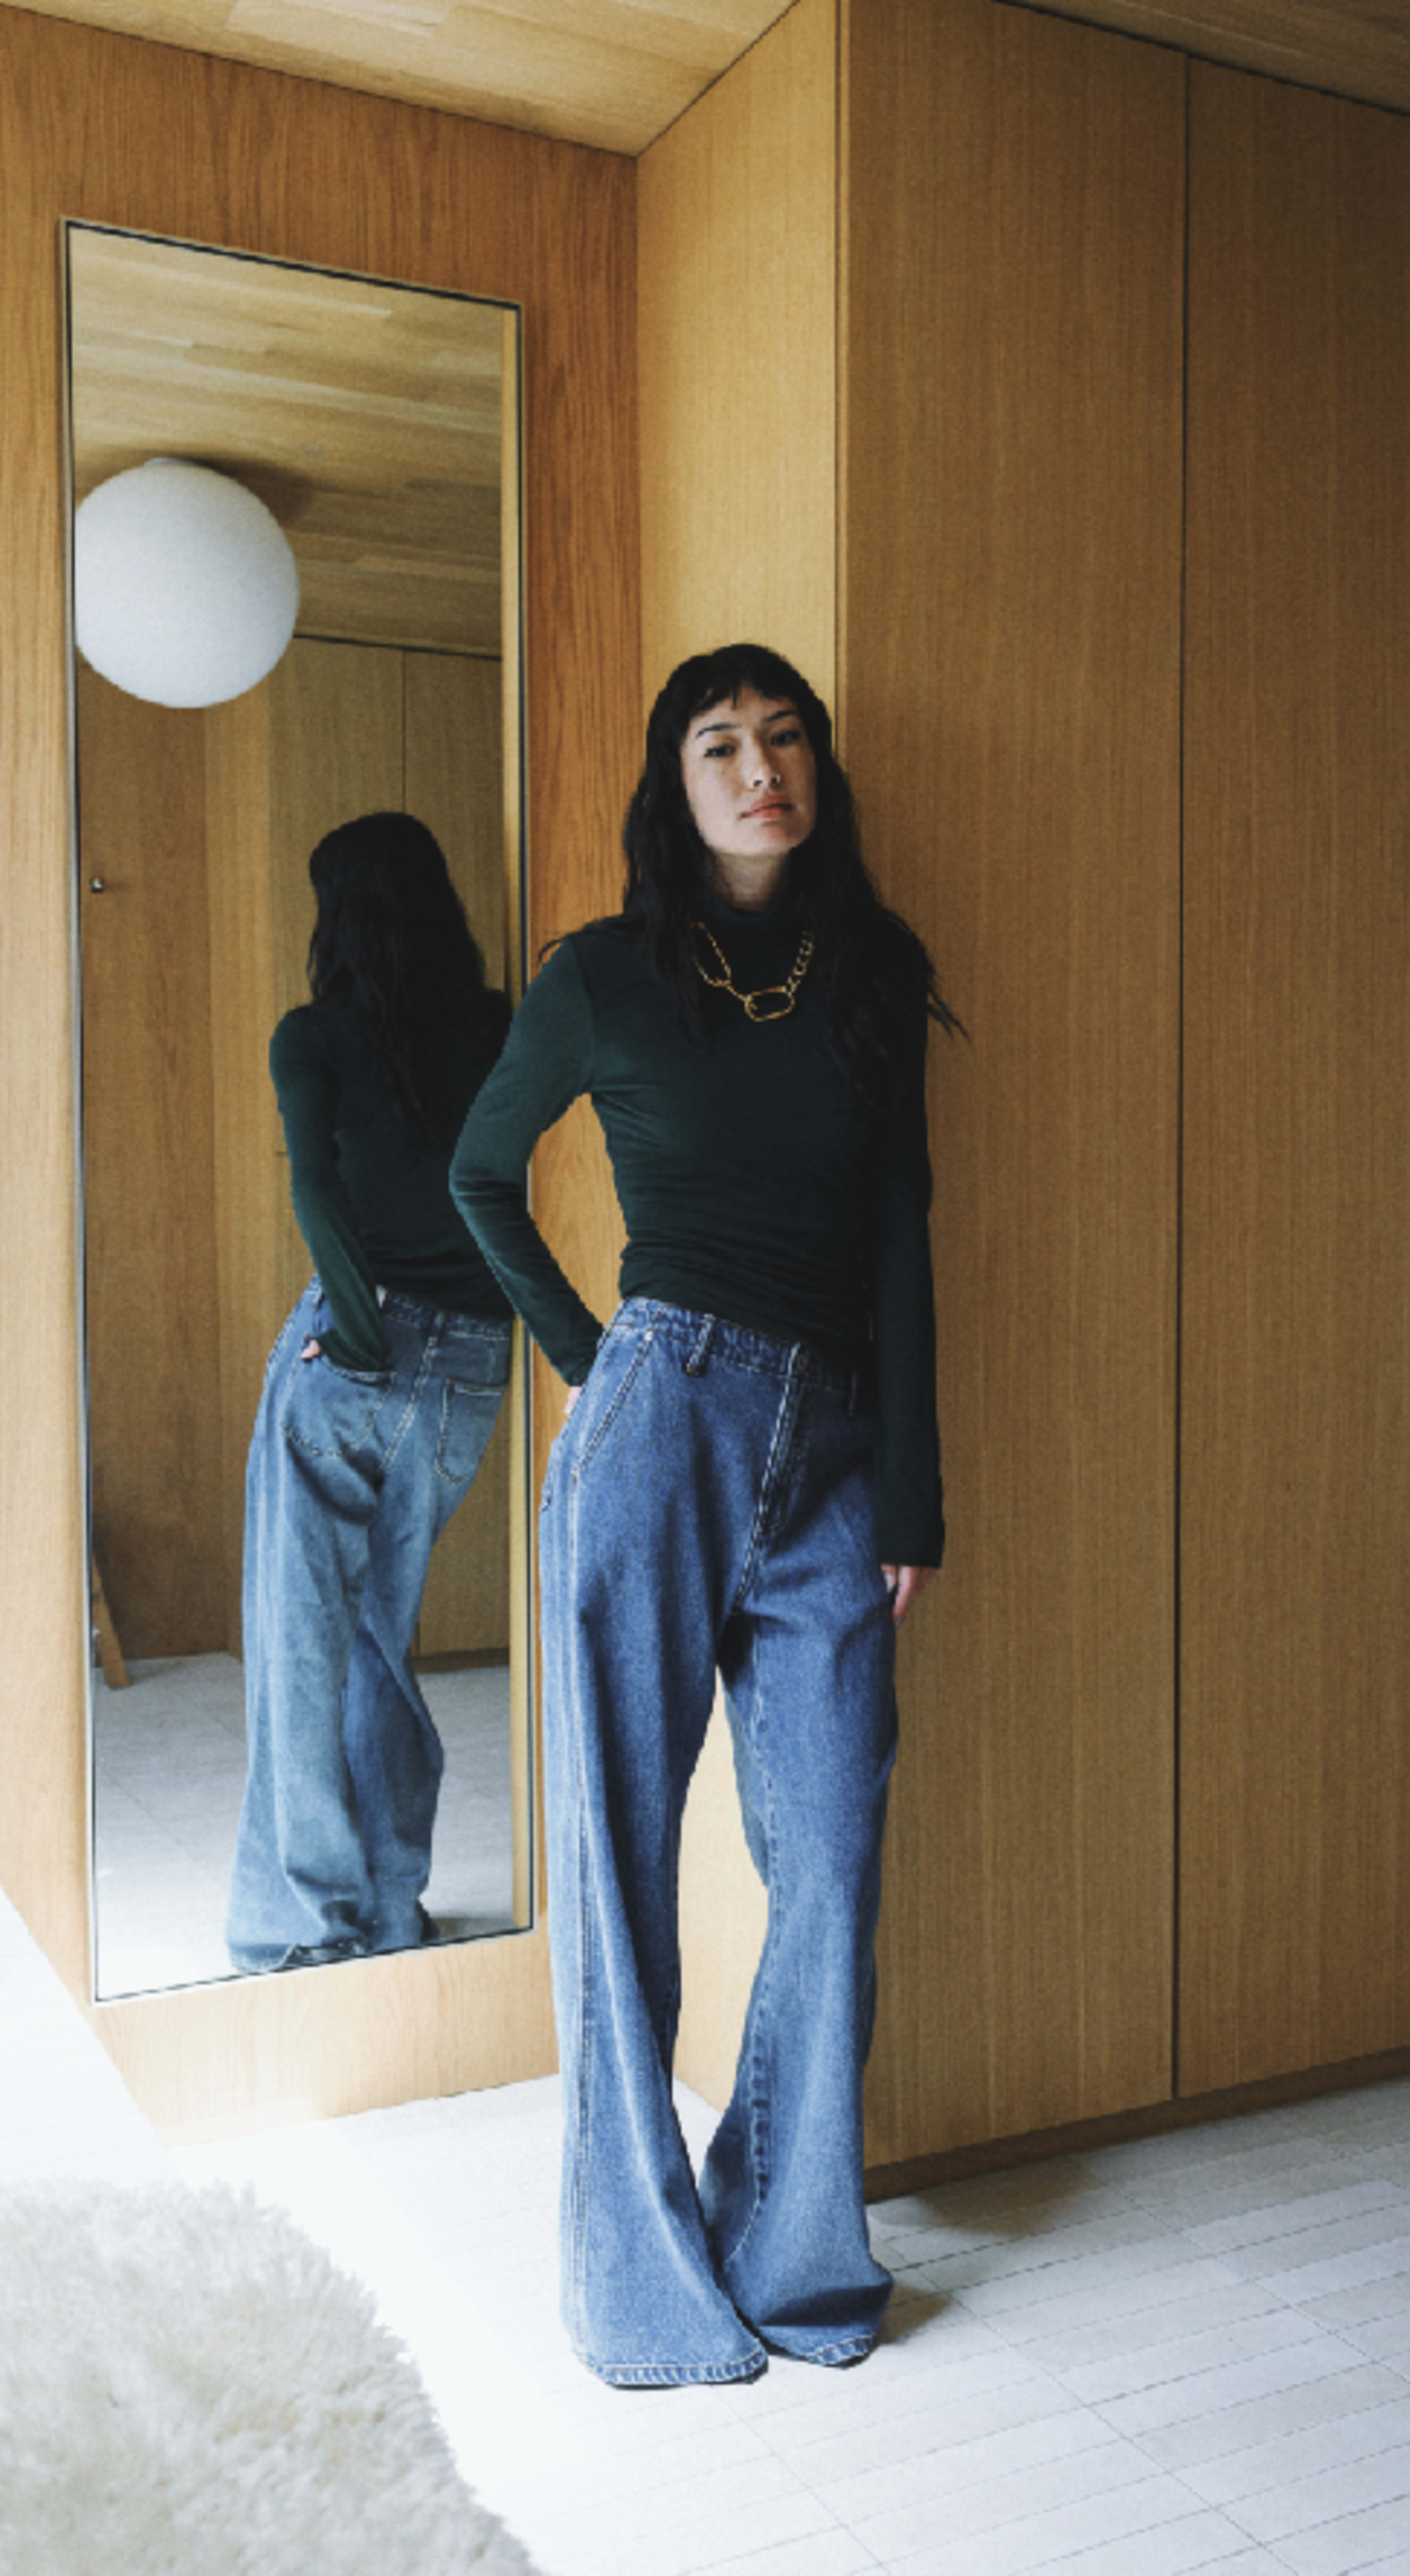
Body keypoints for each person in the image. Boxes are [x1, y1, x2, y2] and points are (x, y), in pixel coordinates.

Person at [451, 642, 955, 2387]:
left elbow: (901, 1233)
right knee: (620, 1861)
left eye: (785, 738)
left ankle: (795, 2254)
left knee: (831, 1850)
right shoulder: (600, 974)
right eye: (721, 746)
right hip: (659, 1418)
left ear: (819, 768)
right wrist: (597, 1363)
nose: (760, 769)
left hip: (838, 1449)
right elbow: (480, 1175)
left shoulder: (874, 971)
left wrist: (913, 1493)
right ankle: (641, 2290)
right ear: (677, 786)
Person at [225, 813, 514, 1973]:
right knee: (378, 1642)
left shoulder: (314, 1036)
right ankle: (393, 1910)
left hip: (360, 1346)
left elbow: (318, 1190)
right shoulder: (496, 1025)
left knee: (302, 1643)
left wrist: (352, 1338)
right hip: (471, 1369)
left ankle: (311, 1924)